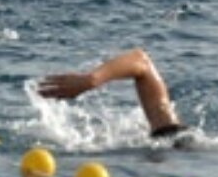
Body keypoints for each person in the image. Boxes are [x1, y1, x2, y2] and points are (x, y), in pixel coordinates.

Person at [39, 48, 188, 141]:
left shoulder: (172, 139)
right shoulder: (175, 136)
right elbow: (141, 61)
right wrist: (91, 80)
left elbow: (141, 61)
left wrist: (91, 81)